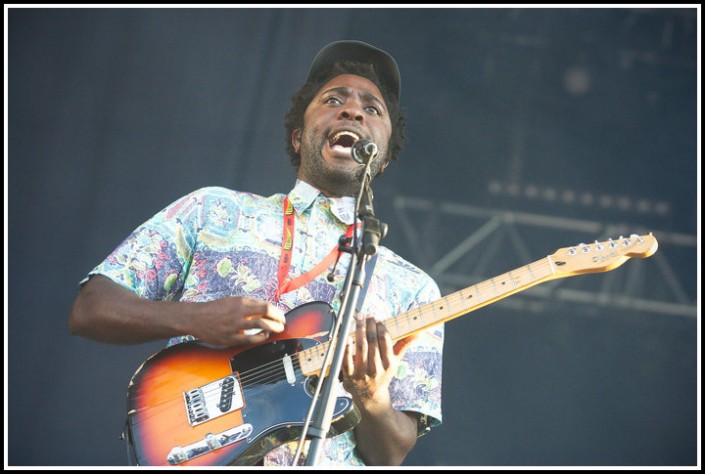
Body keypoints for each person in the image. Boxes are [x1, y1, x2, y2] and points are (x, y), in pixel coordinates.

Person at [68, 39, 444, 467]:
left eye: (372, 109)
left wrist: (372, 397)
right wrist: (196, 318)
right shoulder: (212, 210)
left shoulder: (413, 288)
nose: (353, 111)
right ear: (299, 137)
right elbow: (91, 307)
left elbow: (391, 453)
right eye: (333, 100)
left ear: (383, 160)